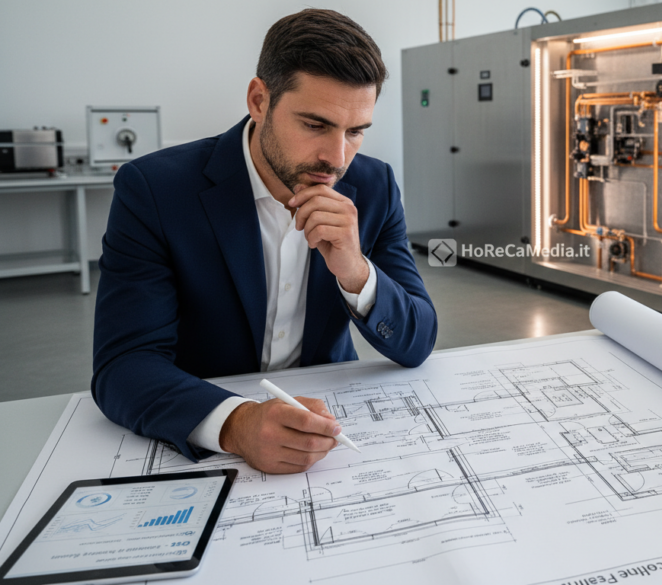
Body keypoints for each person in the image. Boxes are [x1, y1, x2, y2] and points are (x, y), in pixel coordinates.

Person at [91, 9, 436, 474]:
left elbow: (417, 341)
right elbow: (124, 365)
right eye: (315, 124)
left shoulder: (374, 187)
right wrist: (235, 423)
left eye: (354, 132)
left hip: (328, 428)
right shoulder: (154, 190)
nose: (337, 159)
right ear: (259, 100)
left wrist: (356, 272)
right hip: (200, 418)